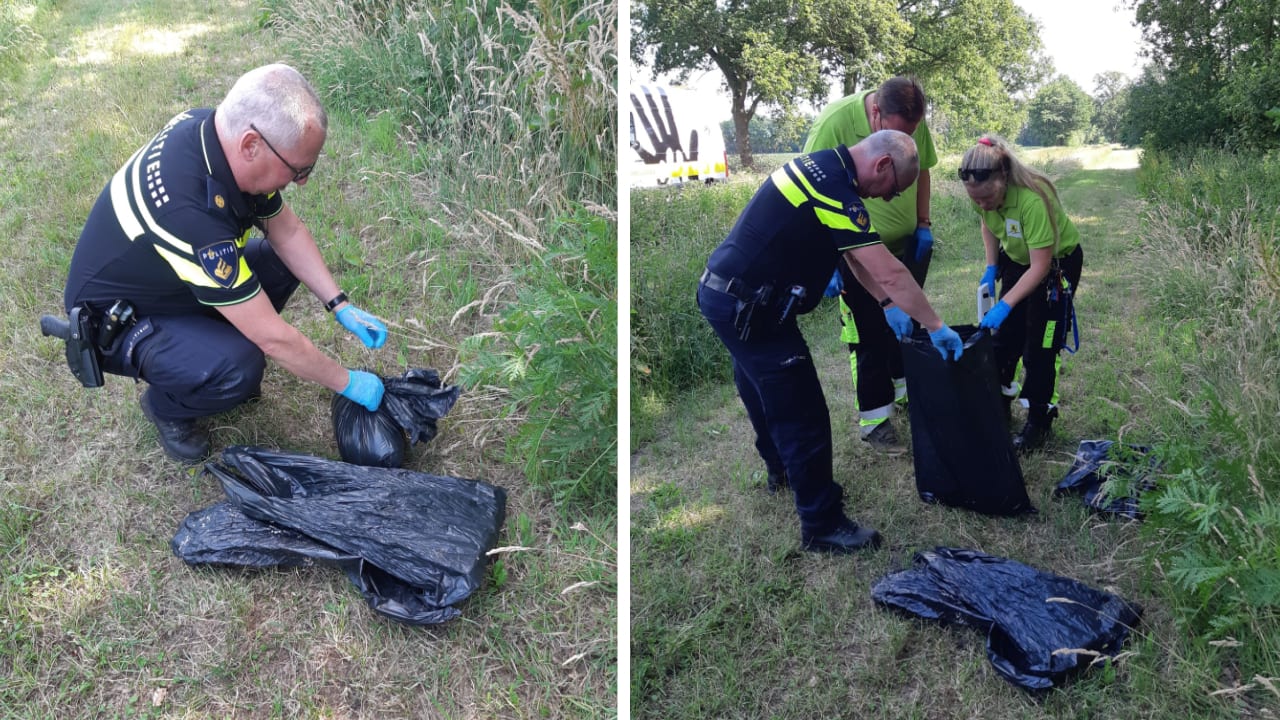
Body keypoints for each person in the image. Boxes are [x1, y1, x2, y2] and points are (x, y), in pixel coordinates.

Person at [62, 63, 389, 463]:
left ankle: (210, 342)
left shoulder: (217, 137)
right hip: (119, 319)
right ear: (252, 145)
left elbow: (286, 232)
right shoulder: (190, 214)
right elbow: (274, 339)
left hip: (168, 280)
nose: (302, 182)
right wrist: (349, 383)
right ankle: (166, 407)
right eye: (298, 170)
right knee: (240, 366)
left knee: (281, 262)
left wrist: (339, 303)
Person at [697, 129, 964, 554]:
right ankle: (822, 525)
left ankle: (782, 471)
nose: (888, 198)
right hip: (750, 308)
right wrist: (935, 325)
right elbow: (892, 271)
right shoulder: (834, 186)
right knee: (803, 412)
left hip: (729, 297)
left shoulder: (825, 168)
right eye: (893, 188)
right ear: (882, 164)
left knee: (760, 388)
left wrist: (884, 303)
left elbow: (852, 253)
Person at [803, 77, 938, 454]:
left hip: (907, 246)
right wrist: (826, 257)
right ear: (876, 113)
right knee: (868, 334)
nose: (906, 140)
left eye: (910, 134)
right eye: (897, 134)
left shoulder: (912, 120)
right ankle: (875, 421)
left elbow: (923, 169)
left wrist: (923, 223)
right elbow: (808, 190)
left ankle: (905, 393)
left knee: (904, 324)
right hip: (854, 250)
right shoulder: (834, 123)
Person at [959, 135, 1084, 453]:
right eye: (976, 200)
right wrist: (992, 266)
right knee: (1004, 339)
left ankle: (1039, 421)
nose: (982, 205)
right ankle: (999, 407)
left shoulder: (1033, 200)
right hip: (1017, 260)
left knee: (1040, 346)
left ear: (1003, 177)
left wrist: (1005, 303)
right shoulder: (983, 194)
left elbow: (1040, 267)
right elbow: (988, 224)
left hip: (1055, 268)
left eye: (987, 198)